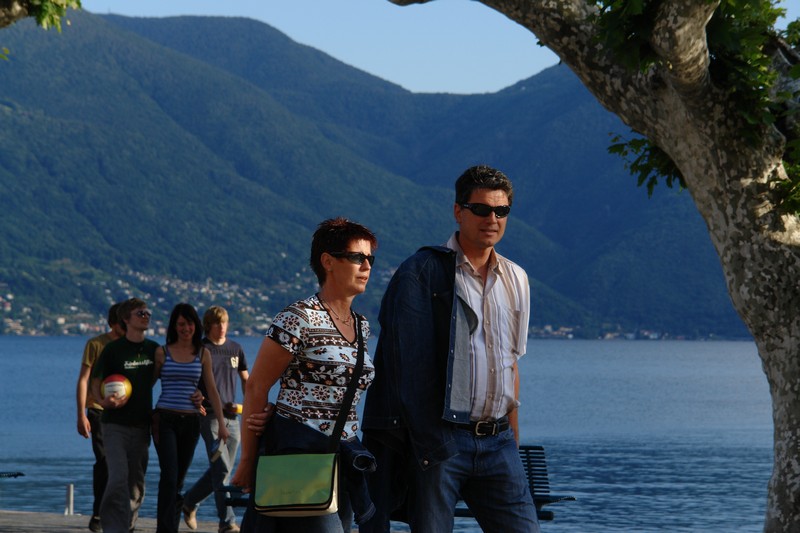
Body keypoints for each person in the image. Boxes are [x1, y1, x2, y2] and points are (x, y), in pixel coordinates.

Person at [360, 165, 539, 532]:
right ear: (458, 211)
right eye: (481, 209)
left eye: (501, 210)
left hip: (499, 442)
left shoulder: (517, 279)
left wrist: (513, 442)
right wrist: (429, 439)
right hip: (442, 441)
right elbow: (405, 367)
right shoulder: (422, 273)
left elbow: (512, 365)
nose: (492, 219)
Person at [231, 217, 378, 533]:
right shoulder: (298, 317)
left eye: (370, 258)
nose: (367, 266)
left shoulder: (361, 325)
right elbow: (256, 386)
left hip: (343, 457)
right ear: (328, 261)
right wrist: (247, 460)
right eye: (357, 257)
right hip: (300, 456)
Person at [152, 303, 230, 533]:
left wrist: (222, 424)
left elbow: (212, 389)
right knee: (169, 476)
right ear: (174, 327)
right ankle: (164, 529)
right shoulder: (162, 352)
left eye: (189, 323)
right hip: (165, 419)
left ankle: (171, 526)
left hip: (191, 422)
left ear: (196, 325)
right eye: (180, 324)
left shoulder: (203, 353)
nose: (185, 328)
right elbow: (147, 384)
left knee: (178, 480)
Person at [90, 298, 158, 533]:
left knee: (136, 484)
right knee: (118, 477)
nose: (146, 316)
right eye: (140, 313)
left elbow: (163, 375)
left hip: (141, 426)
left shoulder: (153, 349)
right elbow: (95, 381)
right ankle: (111, 527)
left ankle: (128, 525)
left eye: (148, 313)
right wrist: (102, 401)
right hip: (114, 425)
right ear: (126, 319)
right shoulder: (113, 350)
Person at [183, 306, 249, 533]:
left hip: (233, 417)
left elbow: (246, 379)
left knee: (222, 471)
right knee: (222, 469)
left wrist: (248, 406)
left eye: (225, 322)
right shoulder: (201, 349)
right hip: (209, 417)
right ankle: (227, 522)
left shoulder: (235, 348)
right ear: (208, 325)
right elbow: (188, 379)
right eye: (217, 323)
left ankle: (189, 501)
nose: (222, 327)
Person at [76, 302, 125, 532]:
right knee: (105, 461)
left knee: (125, 465)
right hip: (98, 410)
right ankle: (98, 513)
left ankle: (116, 511)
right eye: (123, 323)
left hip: (124, 412)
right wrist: (81, 414)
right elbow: (83, 379)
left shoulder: (131, 347)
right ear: (114, 323)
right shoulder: (95, 344)